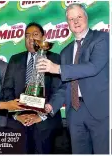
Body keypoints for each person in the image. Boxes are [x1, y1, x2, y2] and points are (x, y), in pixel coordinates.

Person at [36, 3, 109, 154]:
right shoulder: (65, 52)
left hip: (99, 110)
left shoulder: (102, 38)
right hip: (74, 112)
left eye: (79, 17)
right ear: (67, 23)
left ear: (86, 18)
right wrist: (51, 105)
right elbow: (66, 86)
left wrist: (57, 68)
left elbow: (93, 67)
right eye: (71, 19)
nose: (75, 21)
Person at [1, 22, 62, 154]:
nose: (31, 39)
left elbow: (59, 91)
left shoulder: (55, 59)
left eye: (35, 35)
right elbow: (7, 90)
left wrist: (41, 116)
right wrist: (17, 115)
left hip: (45, 122)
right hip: (18, 121)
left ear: (43, 37)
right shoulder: (15, 59)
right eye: (27, 35)